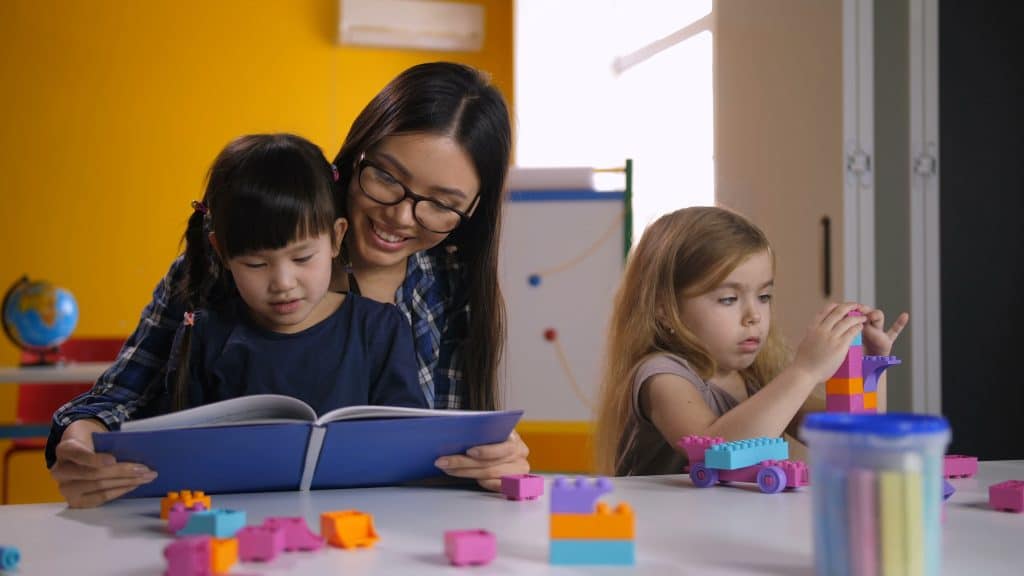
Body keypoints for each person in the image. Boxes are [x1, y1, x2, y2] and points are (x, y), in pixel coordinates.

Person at [48, 63, 528, 507]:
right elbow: (118, 398)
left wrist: (492, 461)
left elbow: (446, 451)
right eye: (386, 177)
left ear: (472, 212)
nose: (401, 216)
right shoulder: (228, 260)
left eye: (442, 204)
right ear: (357, 152)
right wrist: (83, 439)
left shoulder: (449, 289)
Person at [594, 206, 909, 476]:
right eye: (729, 299)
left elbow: (853, 436)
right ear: (665, 309)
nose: (754, 316)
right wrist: (805, 372)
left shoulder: (758, 378)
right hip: (662, 537)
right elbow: (712, 452)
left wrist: (869, 364)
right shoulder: (662, 375)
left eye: (764, 296)